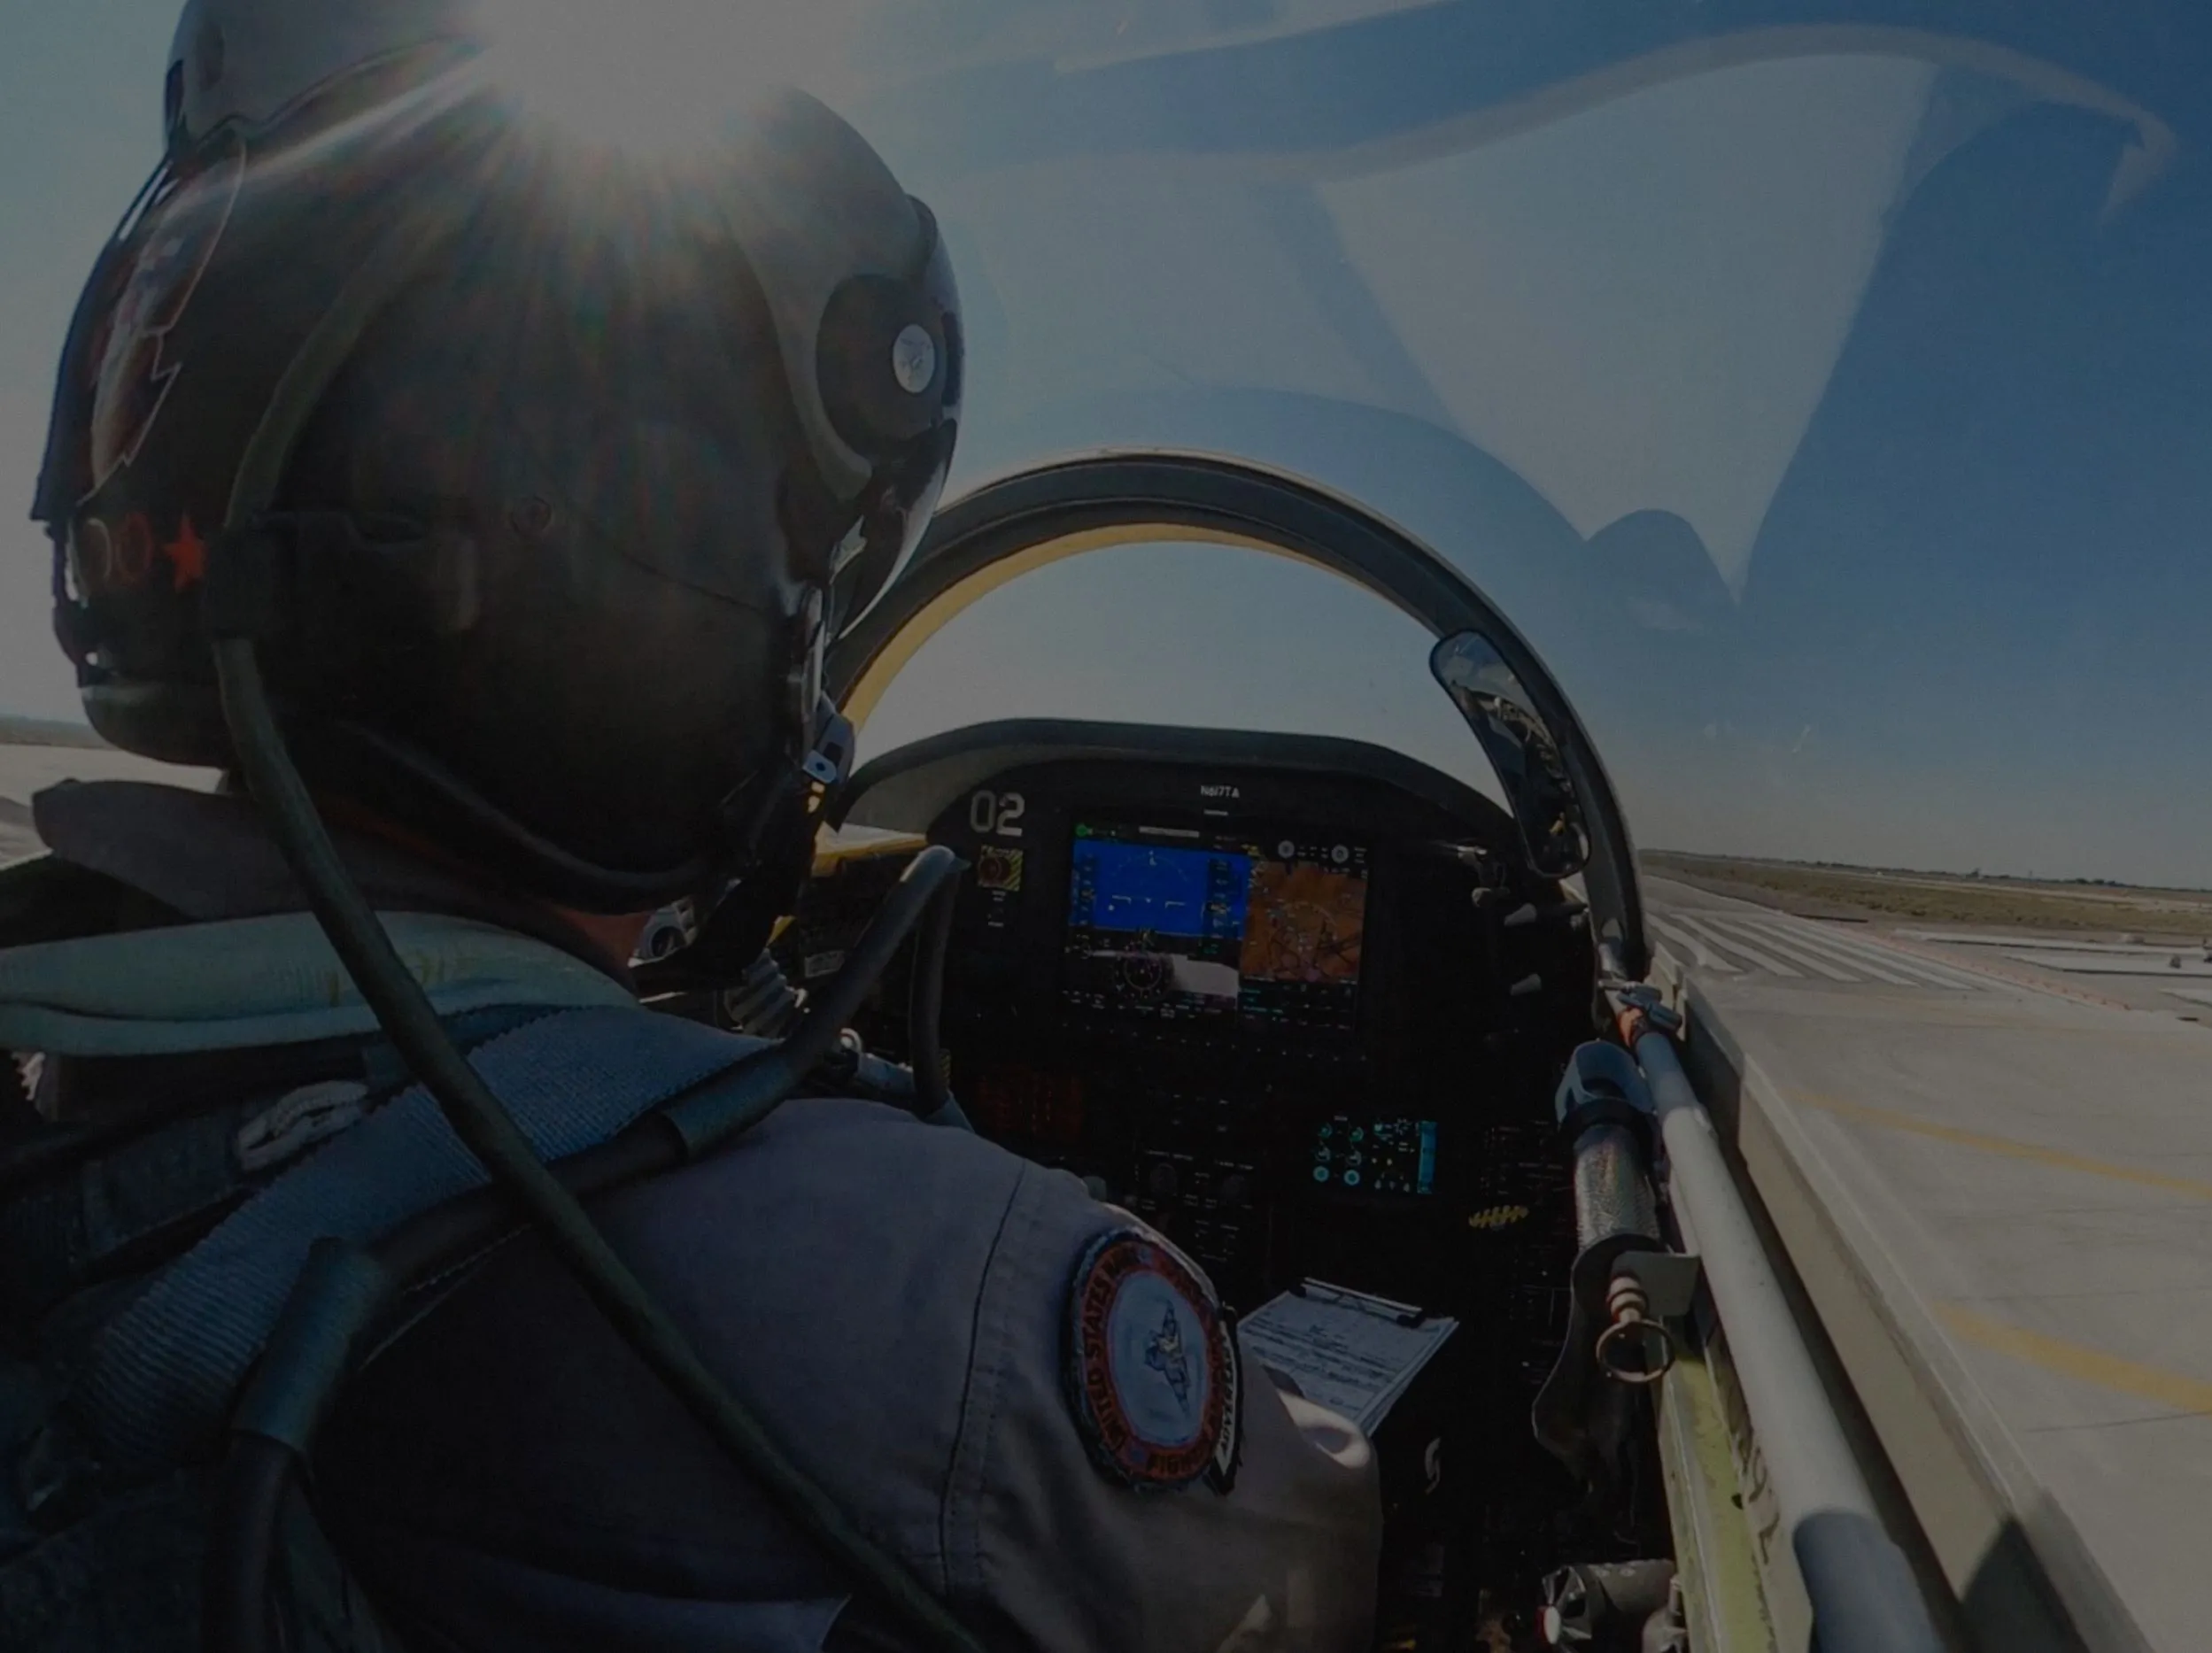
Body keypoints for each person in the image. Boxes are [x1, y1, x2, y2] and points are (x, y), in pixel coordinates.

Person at [0, 3, 1380, 1649]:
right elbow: (1316, 1557)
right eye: (797, 596)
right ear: (642, 587)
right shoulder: (949, 1305)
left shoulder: (71, 1064)